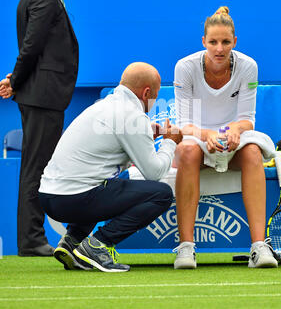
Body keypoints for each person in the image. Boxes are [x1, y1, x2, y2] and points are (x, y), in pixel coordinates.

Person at [38, 62, 183, 272]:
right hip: (73, 199)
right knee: (161, 194)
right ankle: (98, 245)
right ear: (146, 92)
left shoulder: (104, 106)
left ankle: (72, 242)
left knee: (112, 182)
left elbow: (115, 139)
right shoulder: (132, 116)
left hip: (48, 197)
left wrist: (148, 131)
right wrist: (170, 141)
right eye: (155, 96)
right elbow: (155, 172)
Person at [172, 6, 278, 269]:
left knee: (253, 151)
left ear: (235, 42)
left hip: (233, 140)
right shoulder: (185, 67)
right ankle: (186, 248)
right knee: (187, 151)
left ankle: (258, 246)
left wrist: (234, 130)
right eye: (213, 42)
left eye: (226, 42)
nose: (219, 49)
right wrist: (206, 135)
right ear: (203, 42)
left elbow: (247, 118)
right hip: (196, 139)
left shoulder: (248, 66)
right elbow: (184, 124)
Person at [0, 0, 79, 256]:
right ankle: (31, 239)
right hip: (43, 94)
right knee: (37, 167)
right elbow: (31, 46)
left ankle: (31, 237)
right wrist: (16, 80)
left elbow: (35, 47)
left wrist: (16, 79)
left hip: (41, 93)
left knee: (37, 165)